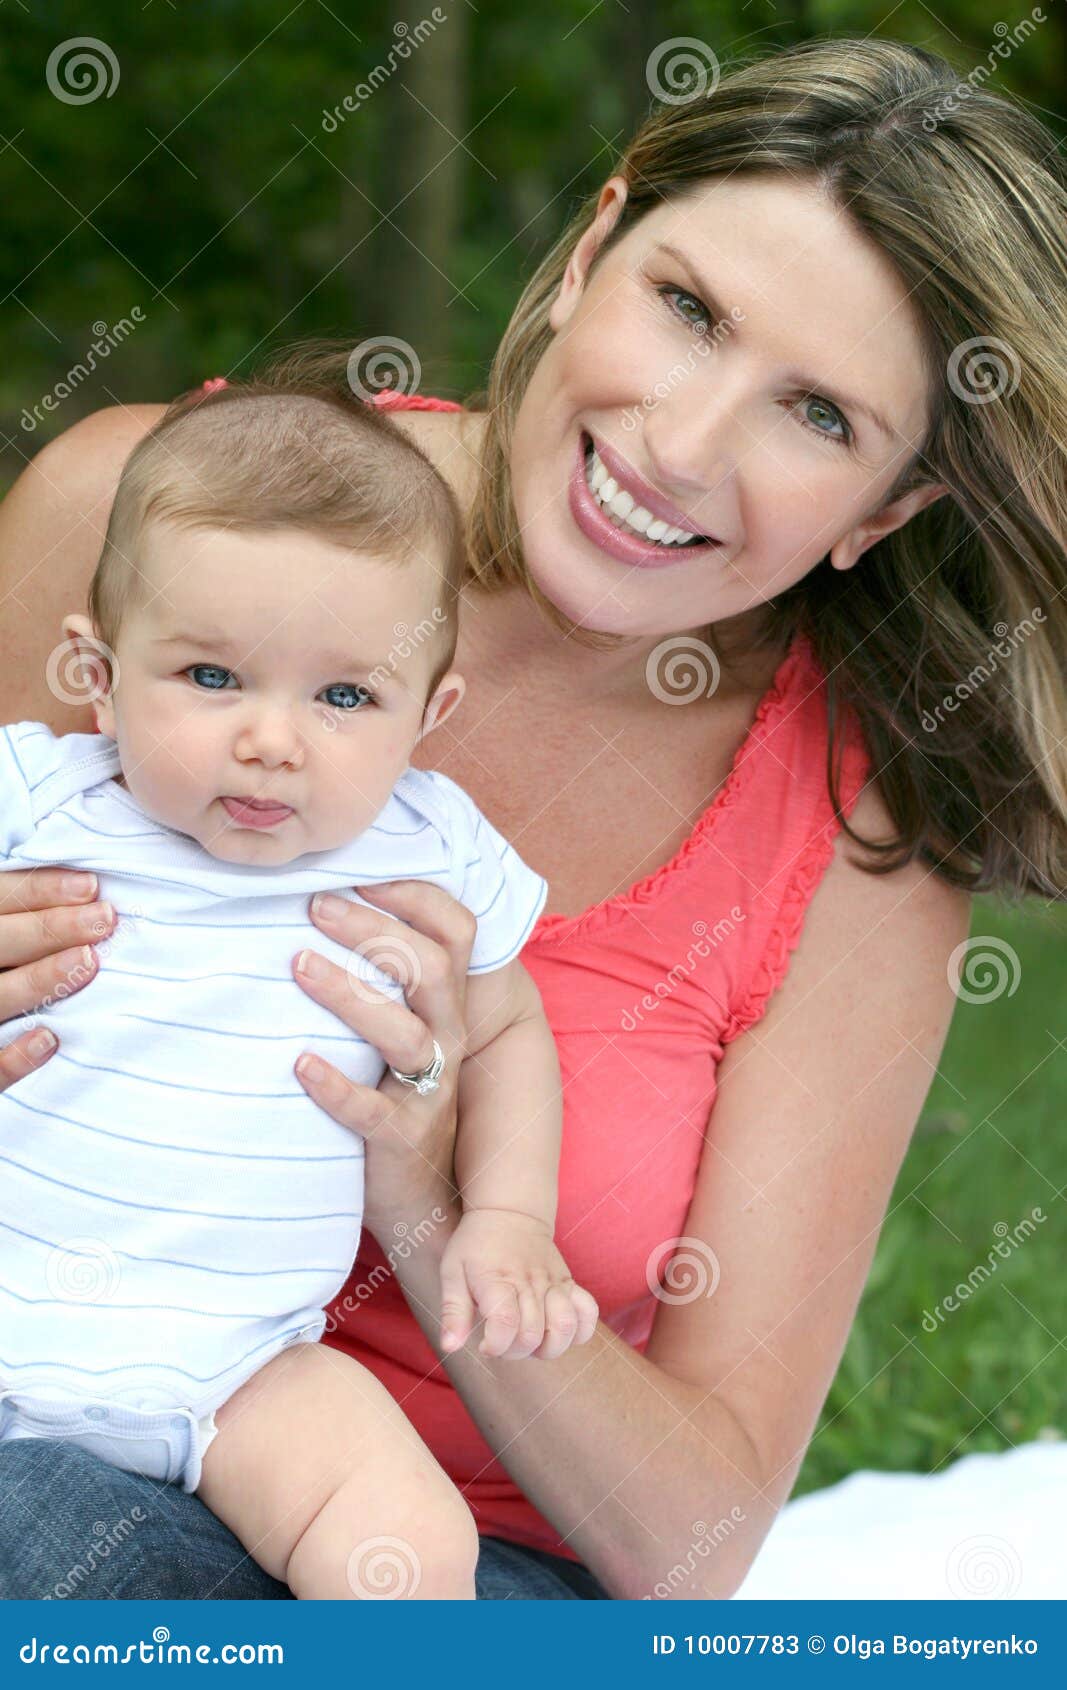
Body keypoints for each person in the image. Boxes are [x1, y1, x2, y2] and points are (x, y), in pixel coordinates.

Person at [0, 36, 1063, 1601]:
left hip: (426, 1550)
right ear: (587, 253)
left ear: (885, 514)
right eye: (687, 310)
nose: (680, 444)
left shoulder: (851, 837)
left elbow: (687, 1541)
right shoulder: (151, 516)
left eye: (818, 417)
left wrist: (439, 1210)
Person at [0, 373, 601, 1600]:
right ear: (97, 673)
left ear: (426, 712)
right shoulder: (38, 797)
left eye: (342, 696)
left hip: (247, 1370)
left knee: (410, 1551)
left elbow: (503, 1031)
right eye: (211, 677)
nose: (272, 739)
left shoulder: (427, 849)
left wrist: (508, 1218)